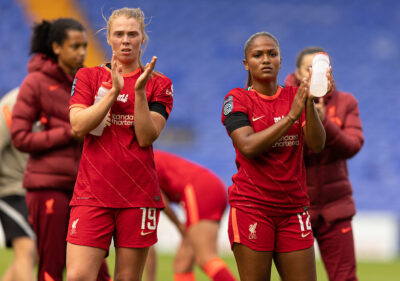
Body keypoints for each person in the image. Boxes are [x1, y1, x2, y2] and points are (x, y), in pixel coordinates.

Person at [66, 7, 173, 281]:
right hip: (92, 194)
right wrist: (112, 93)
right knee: (78, 276)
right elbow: (78, 125)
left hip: (138, 196)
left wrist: (137, 91)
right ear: (109, 38)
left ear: (143, 40)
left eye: (132, 34)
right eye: (119, 34)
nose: (126, 40)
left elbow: (147, 135)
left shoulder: (159, 84)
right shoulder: (88, 77)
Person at [220, 32, 331, 281]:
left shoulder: (296, 96)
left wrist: (310, 104)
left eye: (272, 54)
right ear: (246, 64)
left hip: (294, 210)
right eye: (257, 55)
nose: (266, 59)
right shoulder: (237, 99)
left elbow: (317, 144)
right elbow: (248, 146)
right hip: (253, 208)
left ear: (281, 60)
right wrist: (292, 116)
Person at [10, 18, 111, 281]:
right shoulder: (35, 83)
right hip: (47, 188)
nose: (81, 52)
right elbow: (19, 137)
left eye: (85, 45)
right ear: (56, 47)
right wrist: (70, 132)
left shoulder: (89, 80)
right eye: (74, 46)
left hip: (85, 189)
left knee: (98, 271)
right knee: (51, 269)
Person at [284, 46, 363, 281]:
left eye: (321, 68)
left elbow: (353, 146)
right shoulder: (285, 101)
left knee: (344, 278)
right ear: (297, 73)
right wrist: (304, 116)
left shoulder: (346, 102)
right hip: (295, 209)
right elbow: (282, 153)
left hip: (335, 208)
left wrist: (324, 121)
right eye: (309, 68)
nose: (315, 73)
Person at [145, 150, 237, 281]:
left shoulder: (140, 161)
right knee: (183, 264)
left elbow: (158, 197)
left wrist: (179, 226)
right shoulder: (147, 154)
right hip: (208, 185)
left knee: (205, 258)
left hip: (198, 189)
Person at [0, 88, 36, 281]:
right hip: (11, 188)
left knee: (33, 254)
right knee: (27, 249)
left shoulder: (57, 99)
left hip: (34, 187)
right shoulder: (12, 103)